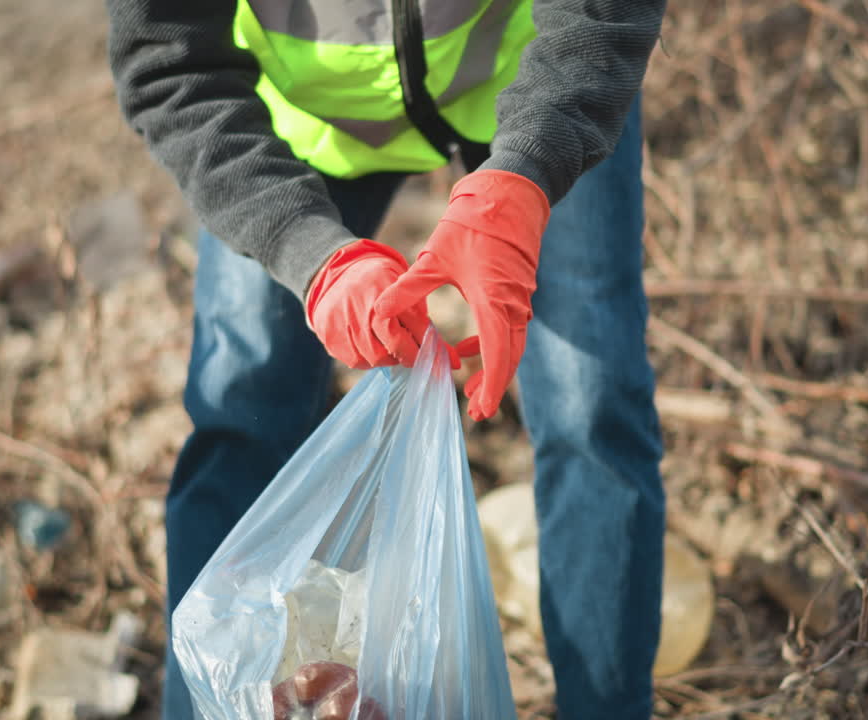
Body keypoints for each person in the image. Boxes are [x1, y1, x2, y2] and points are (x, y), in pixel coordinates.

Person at [104, 0, 668, 717]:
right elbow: (167, 61)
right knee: (242, 408)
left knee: (592, 403)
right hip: (301, 118)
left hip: (537, 78)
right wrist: (308, 255)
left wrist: (525, 174)